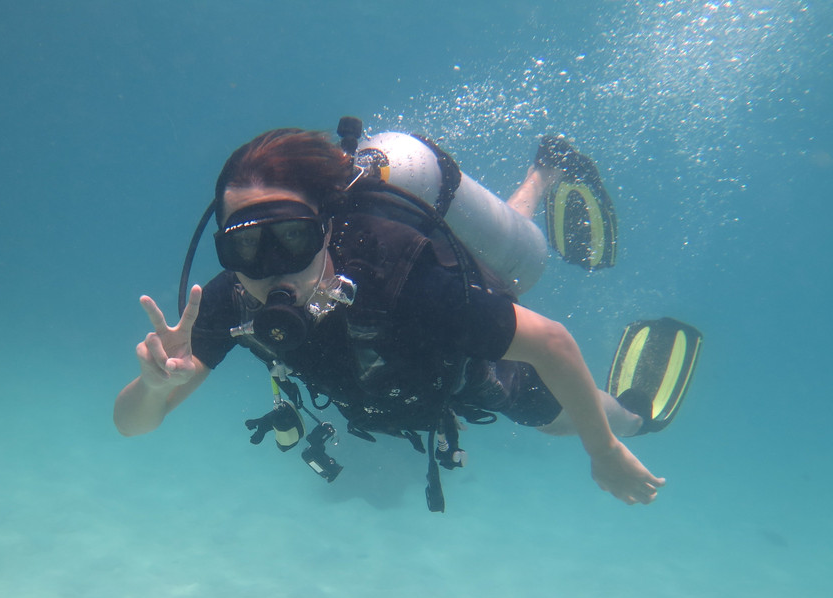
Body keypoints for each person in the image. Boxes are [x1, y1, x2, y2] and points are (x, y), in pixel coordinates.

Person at [115, 125, 699, 509]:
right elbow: (132, 425)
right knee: (497, 274)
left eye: (292, 238)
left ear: (326, 229)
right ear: (222, 251)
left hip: (471, 375)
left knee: (564, 416)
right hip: (392, 381)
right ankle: (539, 177)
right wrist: (151, 385)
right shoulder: (226, 302)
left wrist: (605, 452)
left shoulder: (402, 277)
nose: (271, 273)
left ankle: (637, 418)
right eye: (243, 248)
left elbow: (551, 342)